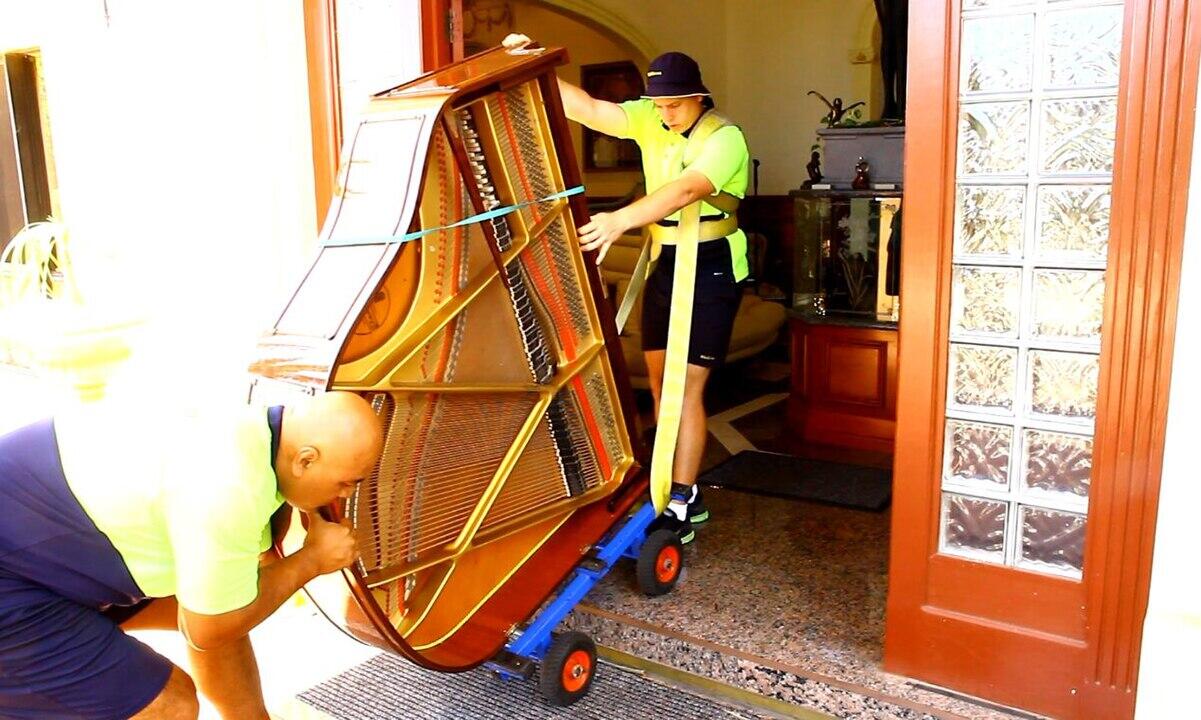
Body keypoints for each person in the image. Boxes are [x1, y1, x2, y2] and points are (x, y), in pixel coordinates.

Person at [0, 391, 384, 719]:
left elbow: (221, 612)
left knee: (227, 595)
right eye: (345, 482)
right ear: (305, 460)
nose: (347, 495)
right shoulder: (229, 487)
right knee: (170, 704)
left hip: (44, 549)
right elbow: (209, 628)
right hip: (15, 577)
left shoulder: (257, 432)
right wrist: (311, 561)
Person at [504, 34, 751, 544]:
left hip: (711, 264)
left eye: (675, 104)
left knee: (686, 392)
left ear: (700, 97)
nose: (666, 114)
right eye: (658, 104)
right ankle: (676, 485)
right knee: (662, 388)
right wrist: (528, 63)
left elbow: (686, 189)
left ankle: (678, 501)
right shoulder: (650, 117)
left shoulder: (726, 138)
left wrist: (619, 219)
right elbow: (586, 107)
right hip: (666, 259)